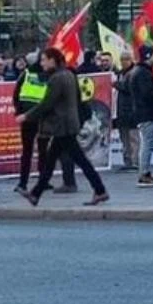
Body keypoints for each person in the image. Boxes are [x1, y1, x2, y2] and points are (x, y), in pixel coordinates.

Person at [17, 47, 108, 206]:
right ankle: (36, 193)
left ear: (53, 60)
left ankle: (100, 190)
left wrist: (27, 115)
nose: (42, 63)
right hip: (67, 124)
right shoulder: (68, 74)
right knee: (54, 160)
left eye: (44, 60)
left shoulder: (57, 78)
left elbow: (47, 103)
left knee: (77, 160)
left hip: (62, 125)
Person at [12, 51, 76, 194]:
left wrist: (19, 111)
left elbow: (16, 94)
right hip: (43, 118)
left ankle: (23, 183)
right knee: (43, 151)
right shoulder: (52, 76)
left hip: (28, 117)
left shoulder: (27, 73)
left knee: (27, 151)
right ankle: (43, 180)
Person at [131, 45, 153, 187]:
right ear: (147, 56)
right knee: (147, 144)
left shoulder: (139, 72)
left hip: (144, 112)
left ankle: (145, 171)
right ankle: (144, 173)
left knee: (147, 143)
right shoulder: (143, 73)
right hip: (147, 113)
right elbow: (148, 94)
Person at [113, 52, 140, 171]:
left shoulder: (134, 73)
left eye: (126, 59)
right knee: (124, 138)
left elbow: (129, 88)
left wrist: (116, 85)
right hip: (121, 111)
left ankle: (135, 161)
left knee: (133, 137)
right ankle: (127, 160)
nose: (123, 62)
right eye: (122, 59)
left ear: (131, 60)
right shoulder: (120, 73)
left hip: (132, 110)